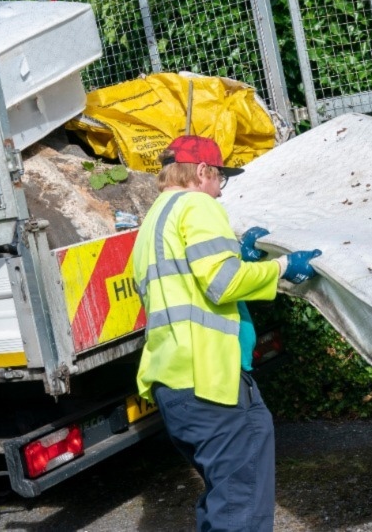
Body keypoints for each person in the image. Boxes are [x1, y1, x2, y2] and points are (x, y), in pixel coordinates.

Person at [132, 134, 322, 531]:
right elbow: (220, 282)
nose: (220, 191)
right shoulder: (197, 205)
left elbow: (189, 280)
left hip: (176, 382)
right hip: (211, 380)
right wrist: (282, 268)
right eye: (221, 178)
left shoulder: (152, 221)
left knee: (226, 497)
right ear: (201, 172)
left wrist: (238, 254)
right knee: (239, 506)